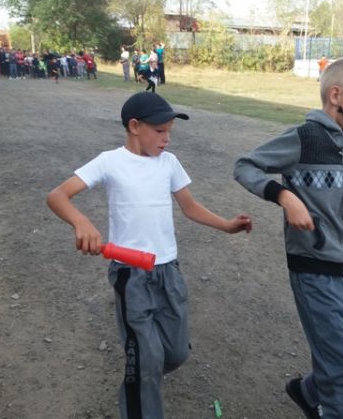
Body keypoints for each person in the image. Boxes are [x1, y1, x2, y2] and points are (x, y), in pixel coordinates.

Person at [46, 91, 252, 419]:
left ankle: (146, 371)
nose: (166, 138)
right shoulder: (109, 161)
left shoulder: (169, 163)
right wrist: (81, 221)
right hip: (131, 274)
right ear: (134, 126)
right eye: (159, 131)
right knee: (146, 362)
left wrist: (226, 226)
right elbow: (58, 196)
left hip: (168, 270)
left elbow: (190, 207)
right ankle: (142, 382)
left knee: (176, 353)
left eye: (169, 131)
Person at [234, 57, 343, 419]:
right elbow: (245, 166)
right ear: (336, 96)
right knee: (342, 377)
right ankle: (334, 397)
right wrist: (285, 196)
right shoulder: (304, 138)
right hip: (314, 273)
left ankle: (310, 391)